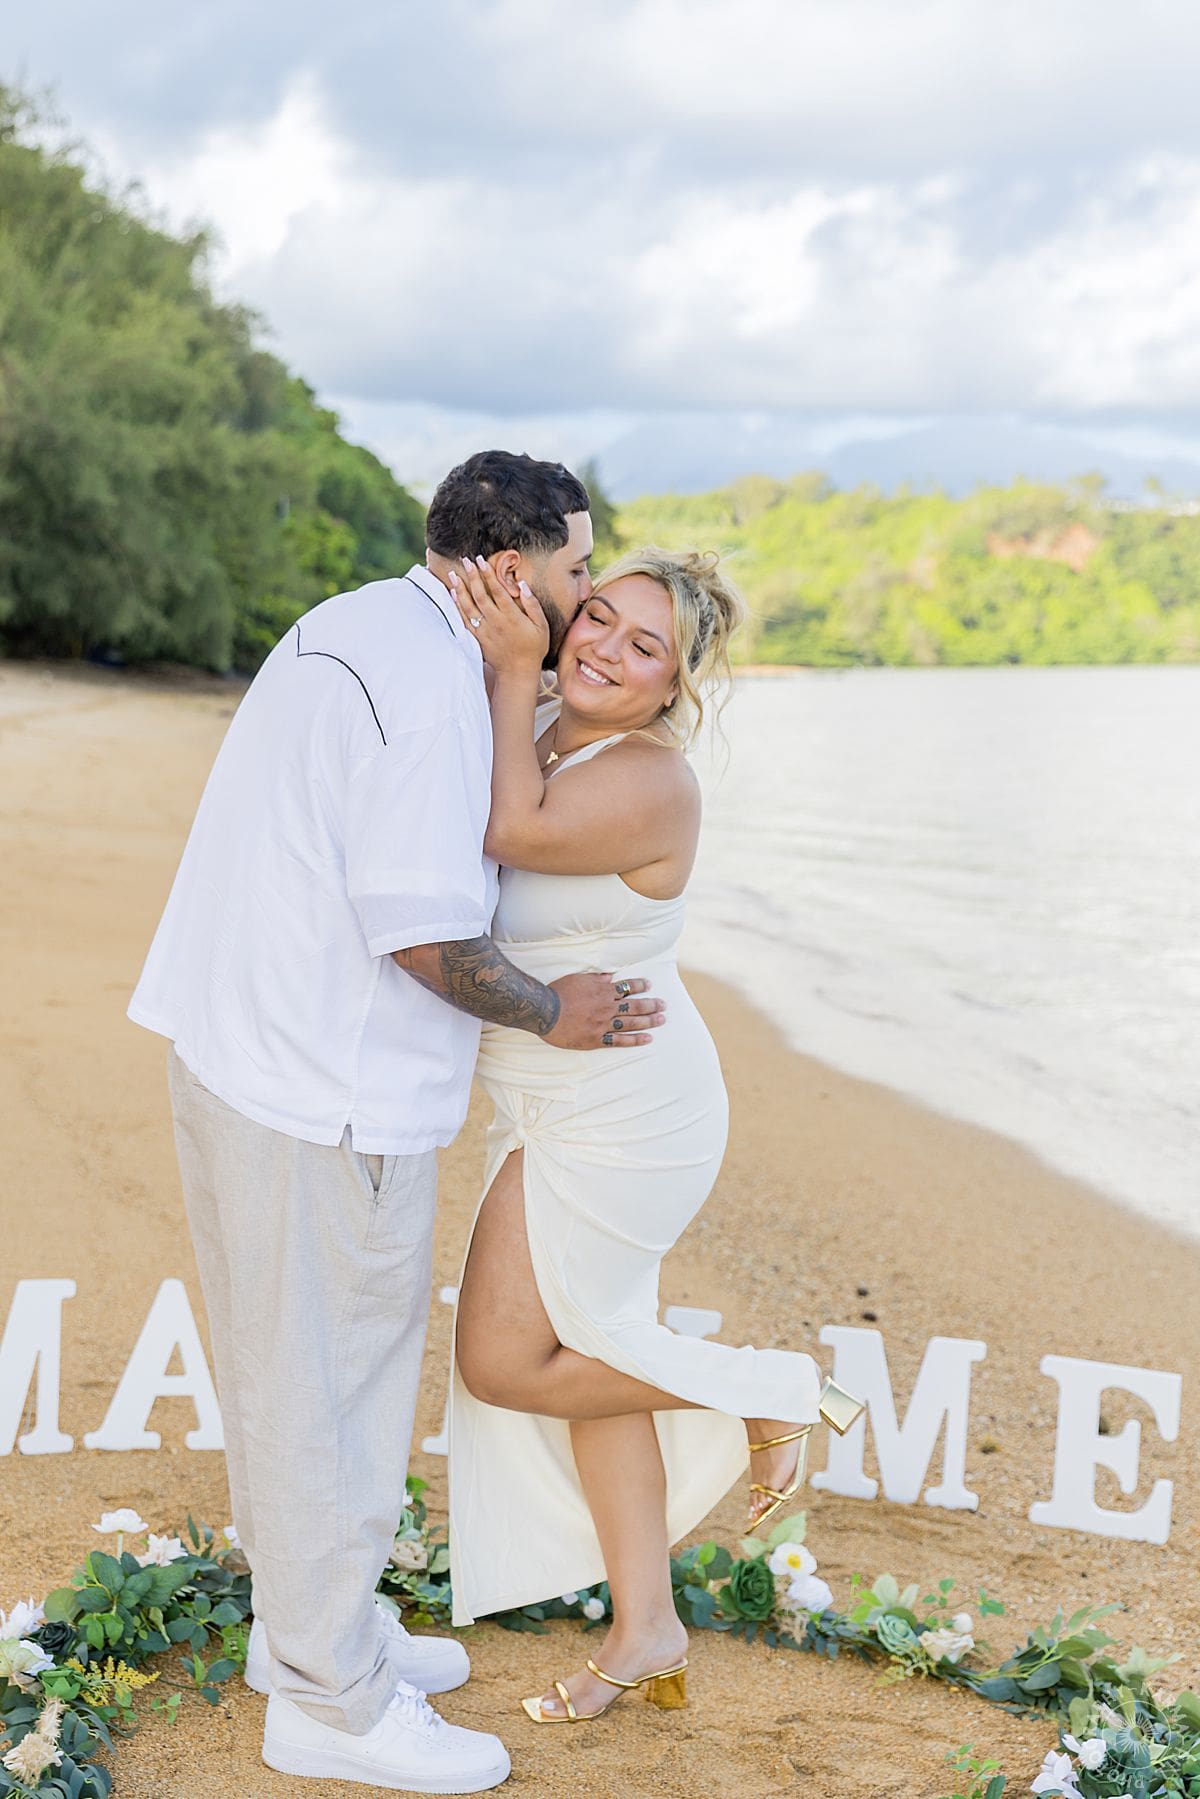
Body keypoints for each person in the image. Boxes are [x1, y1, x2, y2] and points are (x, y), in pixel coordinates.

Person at [127, 450, 668, 1792]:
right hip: (330, 1089)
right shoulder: (432, 692)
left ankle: (307, 1629)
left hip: (239, 1043)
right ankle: (331, 1699)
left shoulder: (357, 617)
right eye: (577, 570)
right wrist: (557, 1011)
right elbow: (426, 934)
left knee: (282, 1367)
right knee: (334, 1387)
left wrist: (521, 677)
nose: (584, 595)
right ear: (508, 569)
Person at [446, 546, 862, 1725]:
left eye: (645, 649)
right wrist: (514, 673)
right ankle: (646, 1624)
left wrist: (514, 662)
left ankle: (770, 1393)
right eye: (602, 619)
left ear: (672, 689)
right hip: (552, 1092)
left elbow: (498, 828)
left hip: (627, 1103)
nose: (607, 650)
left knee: (504, 1360)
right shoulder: (546, 730)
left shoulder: (648, 780)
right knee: (591, 1349)